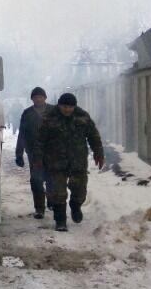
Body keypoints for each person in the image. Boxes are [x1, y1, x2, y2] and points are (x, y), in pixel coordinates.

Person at [34, 93, 104, 232]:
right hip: (55, 162)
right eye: (64, 106)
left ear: (74, 106)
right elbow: (40, 140)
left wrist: (98, 153)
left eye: (70, 107)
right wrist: (37, 158)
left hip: (77, 161)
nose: (67, 110)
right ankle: (60, 220)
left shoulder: (82, 116)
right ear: (59, 105)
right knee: (57, 193)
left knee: (79, 190)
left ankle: (75, 205)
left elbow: (93, 135)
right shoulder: (49, 118)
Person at [15, 87, 54, 219]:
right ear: (32, 99)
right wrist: (19, 154)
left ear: (45, 98)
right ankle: (39, 208)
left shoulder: (54, 111)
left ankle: (52, 201)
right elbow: (22, 134)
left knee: (52, 179)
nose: (38, 99)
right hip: (34, 154)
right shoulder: (27, 114)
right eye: (35, 97)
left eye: (40, 96)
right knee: (36, 181)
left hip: (52, 153)